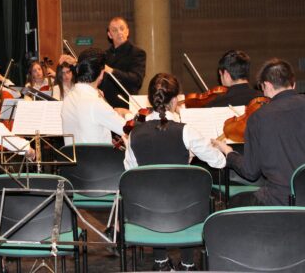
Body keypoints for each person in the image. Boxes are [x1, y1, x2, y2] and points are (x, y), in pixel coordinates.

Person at [127, 73, 226, 270]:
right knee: (187, 190)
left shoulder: (134, 134)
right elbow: (219, 162)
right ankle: (188, 264)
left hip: (148, 214)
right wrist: (207, 151)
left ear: (150, 100)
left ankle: (160, 262)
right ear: (175, 101)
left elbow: (129, 173)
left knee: (155, 188)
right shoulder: (186, 131)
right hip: (186, 212)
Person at [212, 58, 305, 207]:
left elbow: (250, 172)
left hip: (280, 200)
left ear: (267, 85)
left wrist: (229, 153)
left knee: (234, 203)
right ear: (293, 84)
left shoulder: (259, 117)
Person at [61, 48, 132, 146]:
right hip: (98, 160)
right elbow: (129, 131)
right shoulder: (96, 103)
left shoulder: (68, 98)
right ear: (102, 74)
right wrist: (128, 114)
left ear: (77, 70)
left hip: (75, 159)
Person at [99, 17, 146, 108]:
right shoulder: (105, 54)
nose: (119, 32)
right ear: (109, 35)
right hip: (105, 105)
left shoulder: (137, 53)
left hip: (125, 104)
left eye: (122, 28)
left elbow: (137, 79)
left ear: (127, 31)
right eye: (115, 30)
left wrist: (112, 71)